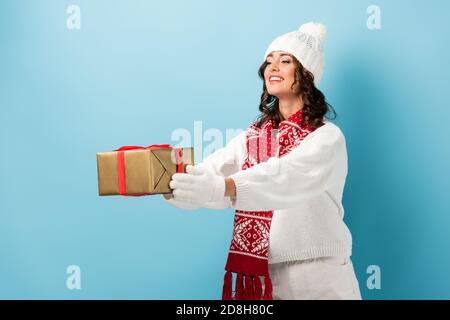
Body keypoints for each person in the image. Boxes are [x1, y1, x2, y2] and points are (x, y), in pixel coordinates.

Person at [163, 22, 362, 300]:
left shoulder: (327, 138)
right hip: (266, 275)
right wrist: (164, 183)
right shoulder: (251, 138)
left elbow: (286, 176)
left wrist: (222, 187)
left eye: (285, 60)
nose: (272, 67)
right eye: (269, 61)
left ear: (307, 74)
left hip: (320, 274)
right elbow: (210, 174)